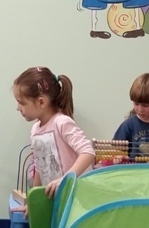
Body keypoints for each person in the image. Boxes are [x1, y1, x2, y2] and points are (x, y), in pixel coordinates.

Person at [13, 67, 95, 199]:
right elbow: (39, 168)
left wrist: (65, 179)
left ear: (41, 102)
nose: (18, 108)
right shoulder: (35, 130)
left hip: (77, 198)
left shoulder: (61, 122)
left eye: (21, 103)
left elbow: (88, 152)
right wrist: (33, 202)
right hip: (57, 199)